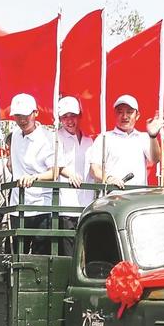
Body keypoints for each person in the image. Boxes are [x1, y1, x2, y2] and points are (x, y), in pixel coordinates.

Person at [8, 93, 57, 254]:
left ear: (35, 113)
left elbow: (54, 172)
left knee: (40, 259)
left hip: (41, 207)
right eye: (18, 115)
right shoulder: (15, 135)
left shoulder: (48, 138)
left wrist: (35, 177)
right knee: (14, 256)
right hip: (18, 206)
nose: (22, 120)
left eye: (26, 115)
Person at [89, 95, 164, 190]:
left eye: (129, 112)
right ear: (115, 114)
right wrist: (108, 179)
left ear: (137, 115)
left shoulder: (143, 137)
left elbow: (155, 159)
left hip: (138, 197)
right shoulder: (104, 137)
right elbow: (94, 170)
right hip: (113, 197)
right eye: (120, 112)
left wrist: (153, 136)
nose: (125, 116)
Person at [53, 96, 93, 256]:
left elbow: (94, 167)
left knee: (87, 248)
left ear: (80, 115)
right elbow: (55, 164)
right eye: (65, 117)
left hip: (86, 203)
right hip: (66, 204)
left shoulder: (89, 140)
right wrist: (70, 174)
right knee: (69, 252)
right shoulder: (56, 137)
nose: (69, 121)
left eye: (73, 116)